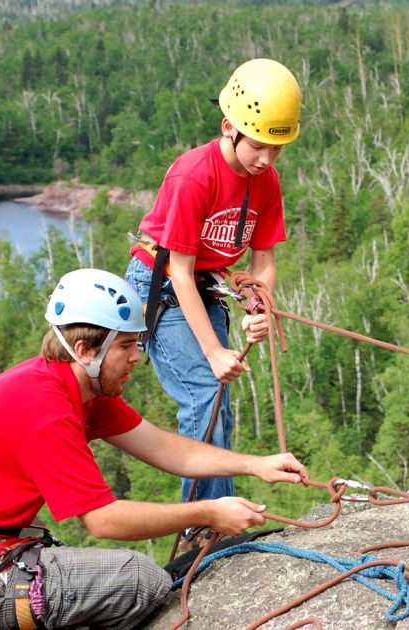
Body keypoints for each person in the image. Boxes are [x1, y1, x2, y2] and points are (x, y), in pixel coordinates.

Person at [0, 268, 308, 630]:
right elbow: (103, 520)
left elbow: (166, 449)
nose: (136, 357)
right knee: (138, 577)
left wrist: (256, 465)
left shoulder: (81, 391)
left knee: (118, 576)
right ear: (85, 350)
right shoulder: (44, 407)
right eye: (125, 346)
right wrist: (209, 512)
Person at [125, 57, 301, 503]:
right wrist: (213, 350)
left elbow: (264, 261)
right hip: (162, 283)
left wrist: (259, 306)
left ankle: (215, 514)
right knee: (204, 394)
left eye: (276, 149)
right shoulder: (194, 175)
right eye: (258, 145)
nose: (266, 159)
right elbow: (179, 271)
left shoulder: (266, 180)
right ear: (229, 127)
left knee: (219, 403)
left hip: (207, 283)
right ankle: (208, 521)